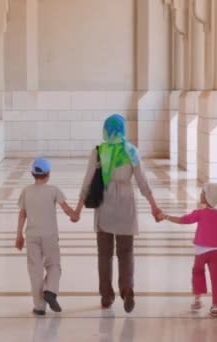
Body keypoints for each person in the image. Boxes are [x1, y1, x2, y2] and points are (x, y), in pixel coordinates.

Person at [73, 114, 162, 313]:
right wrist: (154, 207)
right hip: (126, 205)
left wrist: (78, 208)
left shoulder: (99, 151)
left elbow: (87, 181)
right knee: (126, 252)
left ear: (106, 130)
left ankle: (106, 295)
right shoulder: (131, 151)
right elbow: (142, 183)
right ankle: (127, 288)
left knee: (104, 255)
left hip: (105, 204)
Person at [157, 183, 217, 317]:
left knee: (197, 273)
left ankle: (198, 298)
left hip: (201, 252)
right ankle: (215, 306)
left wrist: (166, 216)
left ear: (208, 197)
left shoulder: (200, 213)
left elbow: (182, 220)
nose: (200, 194)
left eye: (202, 193)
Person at [15, 157, 78, 316]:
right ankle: (50, 290)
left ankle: (39, 306)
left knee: (35, 271)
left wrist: (19, 235)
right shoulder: (54, 190)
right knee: (54, 265)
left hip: (31, 236)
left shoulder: (26, 191)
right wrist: (74, 216)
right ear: (48, 173)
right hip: (50, 236)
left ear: (32, 174)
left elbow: (22, 215)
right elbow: (66, 208)